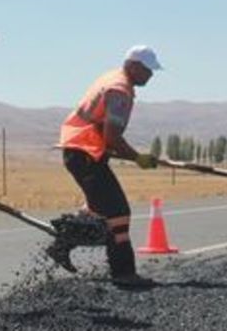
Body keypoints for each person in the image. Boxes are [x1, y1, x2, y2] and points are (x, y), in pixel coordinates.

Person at [59, 45, 163, 288]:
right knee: (118, 213)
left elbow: (108, 137)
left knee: (98, 210)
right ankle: (123, 273)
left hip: (83, 151)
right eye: (148, 70)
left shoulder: (112, 78)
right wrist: (138, 158)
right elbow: (112, 138)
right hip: (85, 153)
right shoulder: (120, 90)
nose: (151, 75)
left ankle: (63, 243)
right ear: (133, 66)